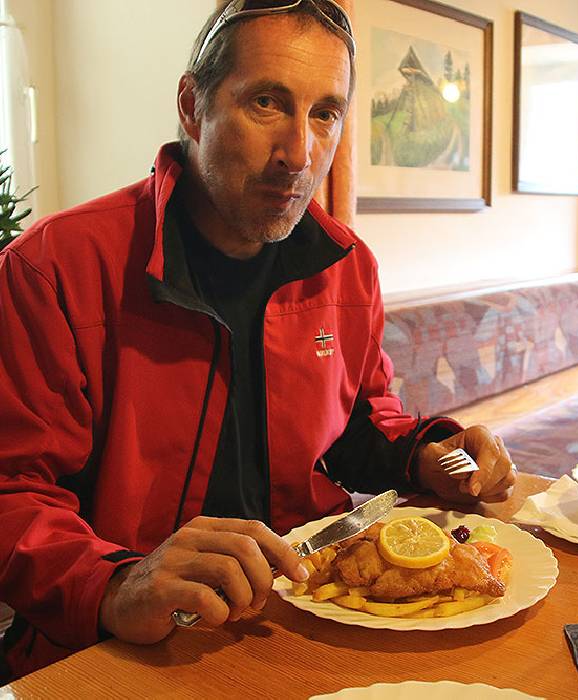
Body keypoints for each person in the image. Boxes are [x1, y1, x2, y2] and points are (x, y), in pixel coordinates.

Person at [0, 0, 515, 681]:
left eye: (325, 113)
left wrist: (430, 454)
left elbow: (361, 422)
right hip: (121, 643)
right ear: (192, 106)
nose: (299, 154)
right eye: (268, 102)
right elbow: (12, 489)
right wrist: (118, 586)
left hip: (308, 616)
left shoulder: (346, 265)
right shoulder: (56, 268)